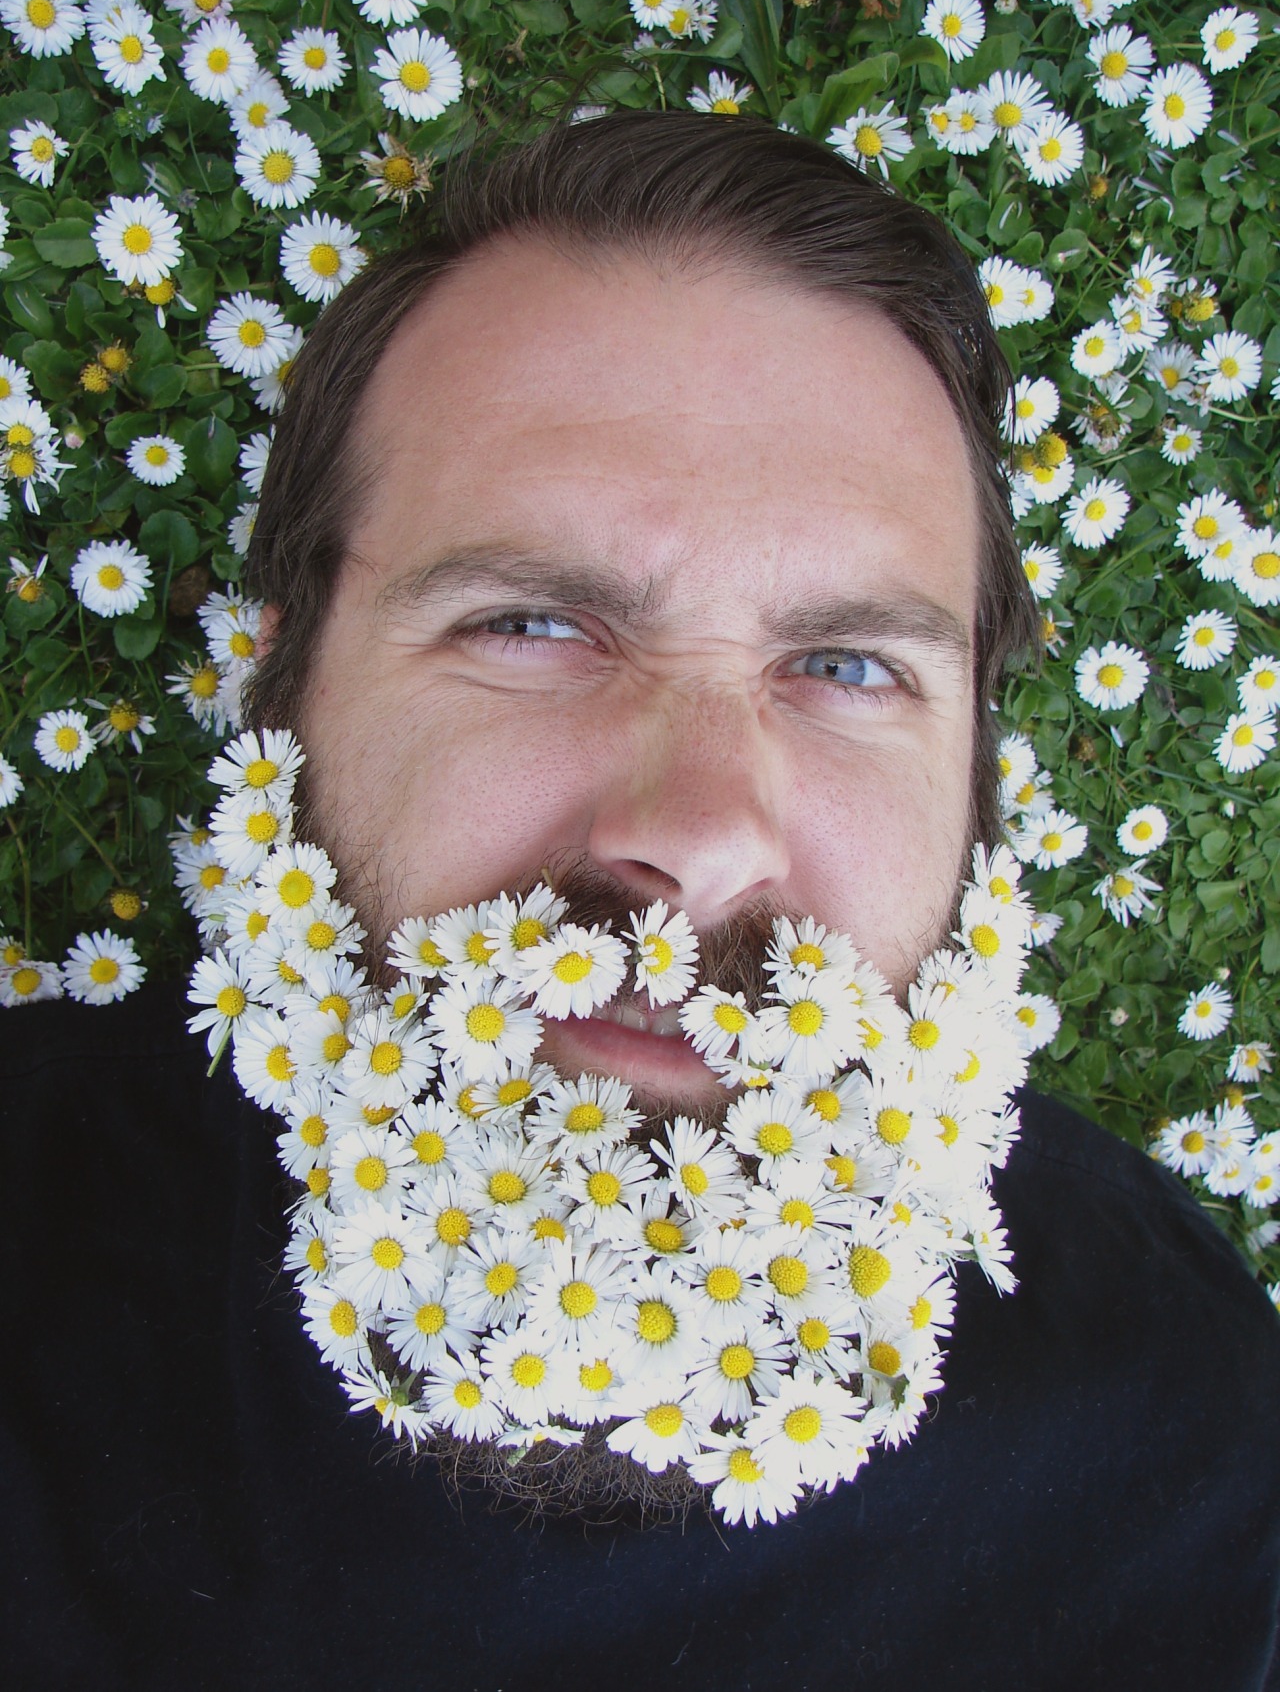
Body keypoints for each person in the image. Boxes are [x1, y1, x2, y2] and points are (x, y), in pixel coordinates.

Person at [3, 112, 1279, 1691]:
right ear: (283, 695)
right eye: (533, 625)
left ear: (977, 787)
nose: (700, 840)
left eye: (843, 665)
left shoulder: (1196, 1436)